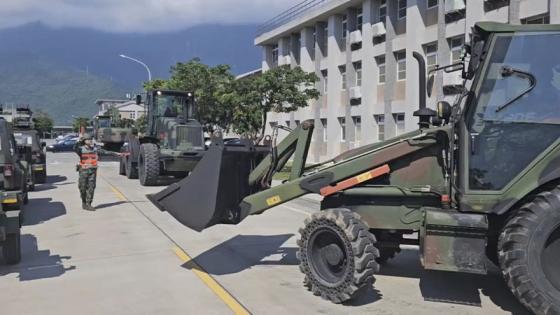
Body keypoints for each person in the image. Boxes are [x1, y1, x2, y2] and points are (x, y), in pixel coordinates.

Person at [74, 133, 120, 211]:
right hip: (83, 171)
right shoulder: (81, 149)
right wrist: (78, 140)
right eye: (88, 139)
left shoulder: (95, 149)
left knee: (91, 187)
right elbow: (75, 148)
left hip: (92, 171)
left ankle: (89, 204)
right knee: (82, 188)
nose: (90, 141)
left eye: (91, 139)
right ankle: (84, 202)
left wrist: (116, 153)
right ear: (84, 141)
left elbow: (106, 152)